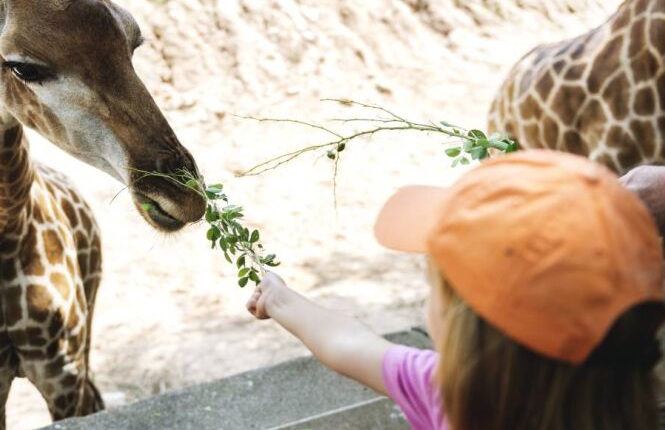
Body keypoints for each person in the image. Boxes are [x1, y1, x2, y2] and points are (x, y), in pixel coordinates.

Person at [246, 150, 665, 430]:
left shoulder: (452, 399)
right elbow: (346, 341)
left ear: (469, 329)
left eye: (433, 289)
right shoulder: (626, 396)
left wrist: (278, 299)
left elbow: (348, 344)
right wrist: (281, 299)